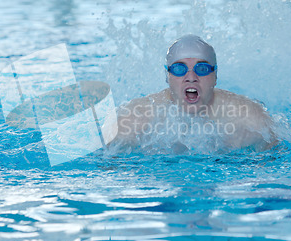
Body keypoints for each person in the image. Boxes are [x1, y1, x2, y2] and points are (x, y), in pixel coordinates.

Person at [111, 34, 277, 152]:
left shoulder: (249, 118)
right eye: (179, 68)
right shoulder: (134, 118)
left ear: (215, 76)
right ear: (167, 76)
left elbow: (277, 159)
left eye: (202, 69)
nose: (191, 77)